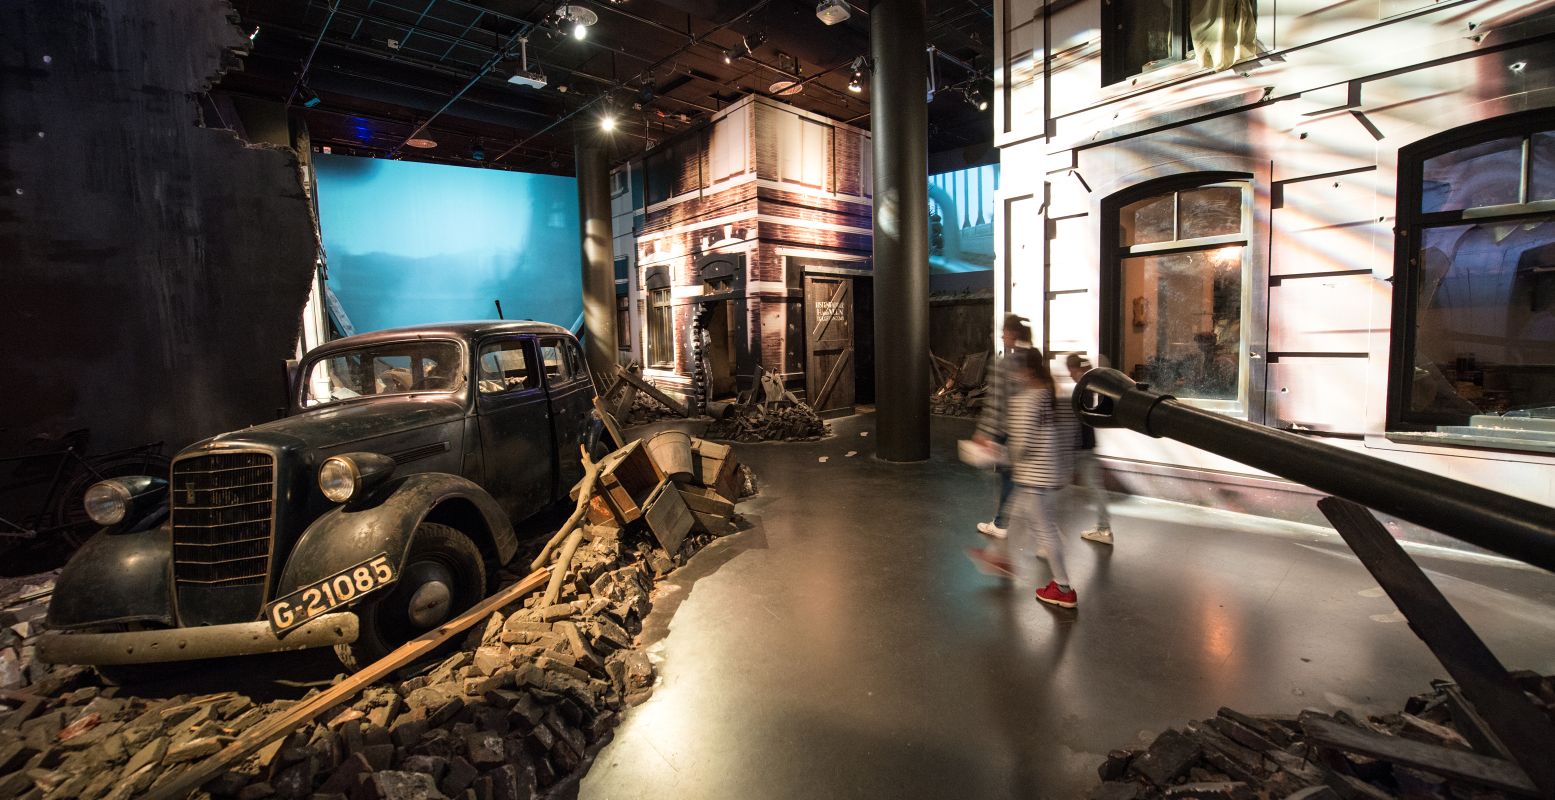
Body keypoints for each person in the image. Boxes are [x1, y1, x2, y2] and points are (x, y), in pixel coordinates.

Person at [968, 348, 1080, 608]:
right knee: (1016, 515)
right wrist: (1064, 469)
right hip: (1048, 474)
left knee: (1045, 529)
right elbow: (1068, 437)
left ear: (1027, 371)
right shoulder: (1055, 396)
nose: (1014, 375)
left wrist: (994, 454)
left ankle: (1063, 588)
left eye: (1017, 370)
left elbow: (1021, 446)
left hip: (1032, 476)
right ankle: (1004, 561)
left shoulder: (1024, 401)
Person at [973, 314, 1034, 539]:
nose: (1002, 335)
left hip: (1009, 432)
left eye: (1005, 331)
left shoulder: (1004, 365)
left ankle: (1001, 523)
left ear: (1014, 333)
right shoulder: (1032, 362)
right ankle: (1034, 530)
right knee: (1028, 481)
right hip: (1030, 432)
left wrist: (984, 432)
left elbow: (995, 403)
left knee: (1009, 477)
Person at [1065, 354, 1114, 545]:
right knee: (1093, 486)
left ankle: (1103, 529)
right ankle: (1103, 527)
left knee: (1086, 486)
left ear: (1076, 370)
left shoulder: (1083, 389)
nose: (1070, 375)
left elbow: (1078, 420)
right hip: (1085, 444)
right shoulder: (1089, 387)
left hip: (1081, 446)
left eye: (1071, 371)